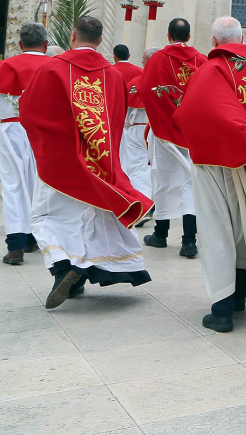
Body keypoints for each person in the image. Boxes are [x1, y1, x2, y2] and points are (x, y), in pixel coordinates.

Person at [21, 16, 153, 309]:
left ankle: (63, 269)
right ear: (100, 40)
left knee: (48, 218)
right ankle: (81, 273)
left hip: (61, 164)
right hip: (99, 164)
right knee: (92, 221)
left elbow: (30, 112)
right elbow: (116, 119)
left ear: (72, 36)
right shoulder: (113, 74)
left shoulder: (52, 68)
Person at [174, 17, 246, 333]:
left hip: (217, 162)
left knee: (217, 231)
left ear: (215, 42)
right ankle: (242, 295)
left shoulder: (212, 69)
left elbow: (192, 113)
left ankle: (222, 309)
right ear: (243, 38)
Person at [138, 17, 206, 256]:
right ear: (189, 37)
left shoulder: (158, 59)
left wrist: (163, 115)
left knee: (165, 183)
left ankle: (161, 234)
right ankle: (189, 241)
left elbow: (145, 90)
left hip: (165, 131)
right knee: (190, 184)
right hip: (194, 133)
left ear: (168, 36)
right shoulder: (202, 60)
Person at [0, 23, 49, 264]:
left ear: (20, 44)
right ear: (46, 44)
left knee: (13, 184)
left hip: (11, 130)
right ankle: (37, 238)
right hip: (45, 131)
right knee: (42, 184)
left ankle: (16, 245)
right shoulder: (54, 67)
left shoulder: (5, 66)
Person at [111, 44, 153, 224]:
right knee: (150, 167)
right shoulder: (139, 73)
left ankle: (143, 204)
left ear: (114, 56)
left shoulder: (111, 72)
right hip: (157, 129)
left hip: (132, 127)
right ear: (129, 54)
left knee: (134, 166)